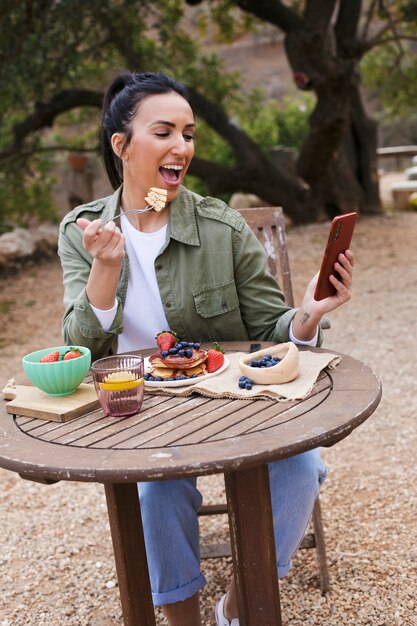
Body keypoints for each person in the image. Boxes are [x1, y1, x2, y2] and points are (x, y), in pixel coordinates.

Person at [58, 71, 354, 626]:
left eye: (189, 134)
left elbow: (271, 326)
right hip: (139, 407)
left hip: (228, 394)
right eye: (165, 132)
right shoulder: (84, 230)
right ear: (121, 146)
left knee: (302, 469)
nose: (182, 148)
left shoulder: (222, 227)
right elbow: (77, 350)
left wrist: (310, 312)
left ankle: (238, 609)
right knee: (157, 495)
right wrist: (105, 267)